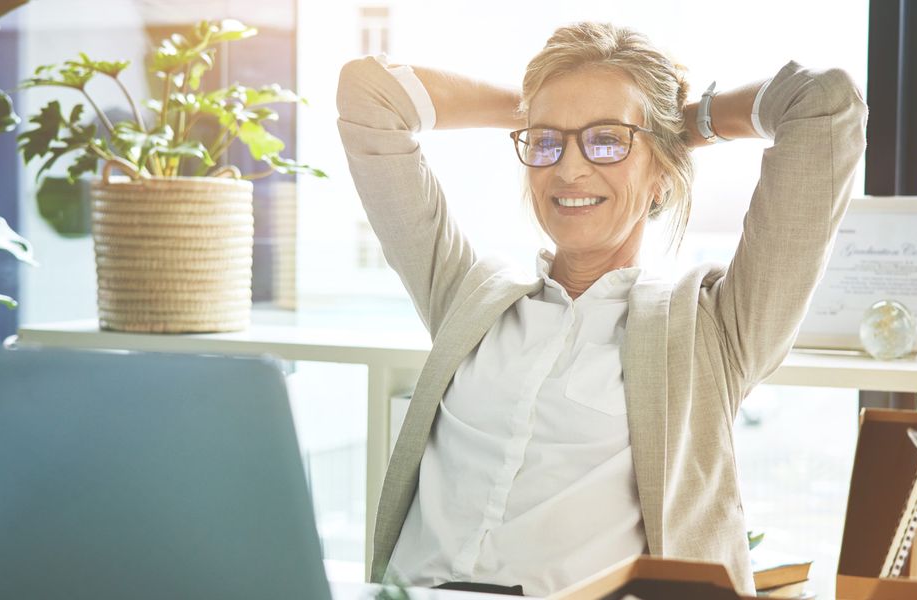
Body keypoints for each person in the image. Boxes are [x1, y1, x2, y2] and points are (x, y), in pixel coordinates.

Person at [336, 21, 867, 597]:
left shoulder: (714, 330)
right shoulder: (470, 299)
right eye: (547, 143)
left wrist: (686, 125)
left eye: (607, 142)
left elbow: (824, 102)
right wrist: (537, 112)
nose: (569, 169)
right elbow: (370, 95)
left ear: (662, 175)